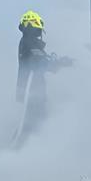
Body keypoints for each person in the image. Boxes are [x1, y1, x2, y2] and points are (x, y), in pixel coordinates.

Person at [14, 10, 71, 146]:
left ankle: (24, 152)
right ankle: (14, 153)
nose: (40, 32)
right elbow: (41, 62)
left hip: (32, 92)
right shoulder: (29, 42)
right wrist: (61, 63)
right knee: (29, 126)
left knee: (35, 124)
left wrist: (59, 61)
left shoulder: (28, 43)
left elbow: (42, 60)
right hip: (31, 93)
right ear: (32, 25)